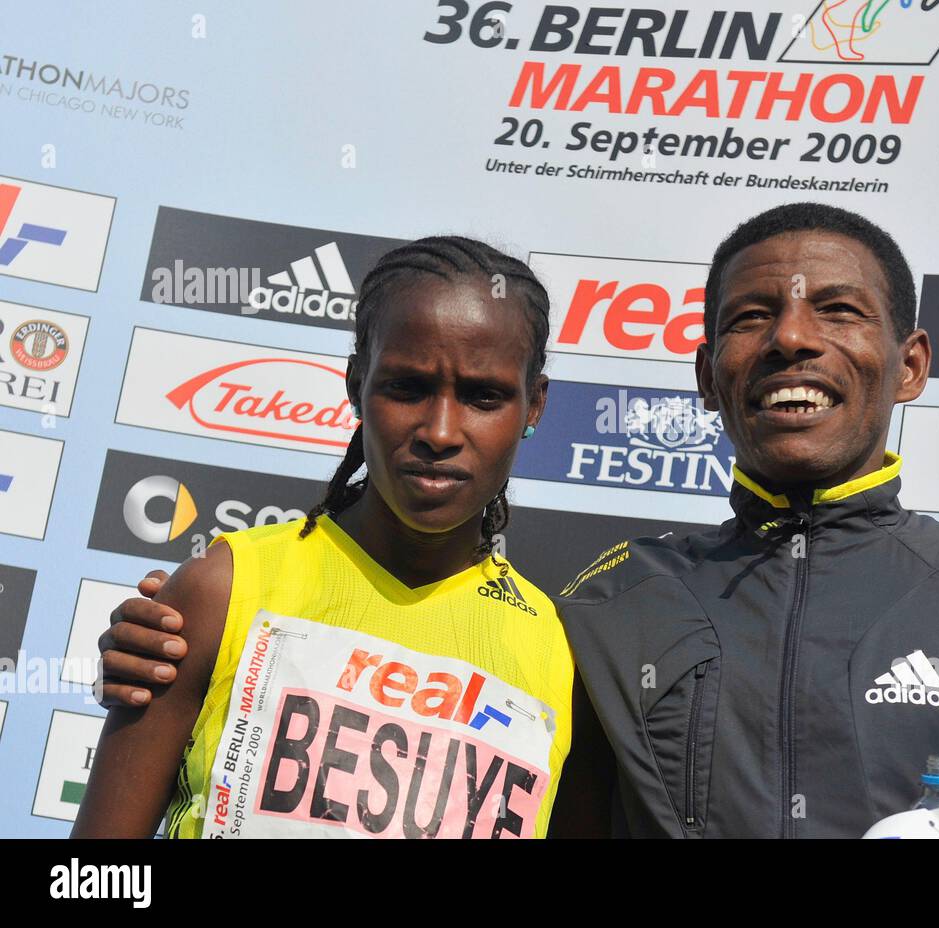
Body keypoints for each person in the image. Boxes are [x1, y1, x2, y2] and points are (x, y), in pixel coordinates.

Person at [96, 204, 939, 838]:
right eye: (748, 318)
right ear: (705, 373)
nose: (789, 339)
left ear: (908, 363)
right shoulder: (603, 604)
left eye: (837, 310)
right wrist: (183, 641)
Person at [74, 236, 598, 839]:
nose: (441, 430)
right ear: (356, 383)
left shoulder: (562, 662)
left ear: (534, 405)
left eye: (484, 396)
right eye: (407, 387)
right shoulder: (224, 589)